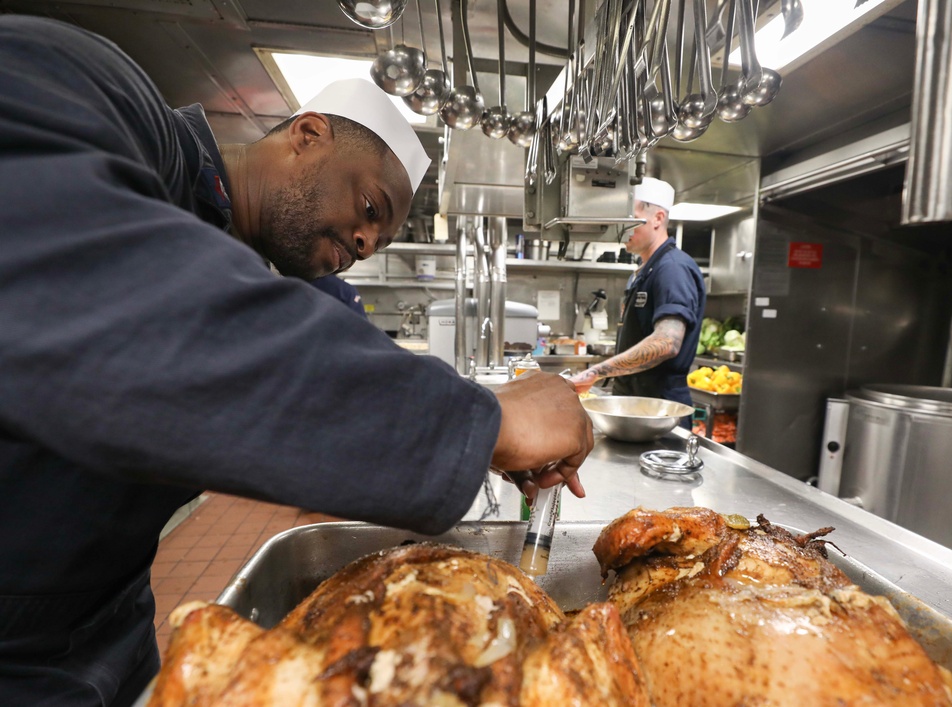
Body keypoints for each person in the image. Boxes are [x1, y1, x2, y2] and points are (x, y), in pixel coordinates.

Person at [0, 15, 592, 706]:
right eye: (369, 205)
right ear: (307, 134)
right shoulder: (86, 82)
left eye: (380, 237)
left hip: (110, 622)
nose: (367, 241)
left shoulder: (257, 263)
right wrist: (481, 422)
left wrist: (474, 427)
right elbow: (83, 292)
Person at [569, 178, 706, 427]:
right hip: (634, 406)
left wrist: (596, 372)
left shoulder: (672, 268)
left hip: (658, 413)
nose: (623, 228)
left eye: (630, 219)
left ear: (657, 218)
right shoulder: (643, 271)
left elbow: (667, 343)